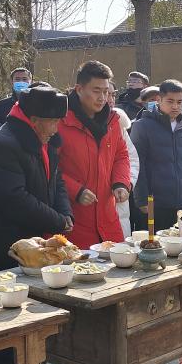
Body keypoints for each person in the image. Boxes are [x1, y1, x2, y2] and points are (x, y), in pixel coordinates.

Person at [0, 84, 72, 364]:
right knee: (5, 310)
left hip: (29, 238)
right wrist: (57, 220)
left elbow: (56, 182)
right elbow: (14, 198)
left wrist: (65, 215)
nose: (56, 128)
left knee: (27, 306)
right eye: (53, 122)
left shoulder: (44, 140)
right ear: (35, 120)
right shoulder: (6, 144)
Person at [58, 61, 131, 249]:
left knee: (117, 264)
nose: (102, 98)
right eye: (96, 91)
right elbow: (48, 167)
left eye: (106, 92)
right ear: (79, 89)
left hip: (107, 218)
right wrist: (76, 191)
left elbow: (121, 155)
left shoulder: (112, 120)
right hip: (73, 220)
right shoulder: (60, 122)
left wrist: (121, 182)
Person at [130, 79, 182, 231]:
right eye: (170, 101)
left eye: (179, 102)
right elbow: (137, 164)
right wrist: (141, 198)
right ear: (159, 99)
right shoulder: (142, 126)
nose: (175, 106)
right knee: (155, 243)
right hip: (155, 202)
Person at [109, 85, 140, 238]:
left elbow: (131, 158)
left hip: (119, 198)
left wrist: (126, 184)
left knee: (120, 247)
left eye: (112, 94)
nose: (109, 99)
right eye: (103, 93)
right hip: (89, 199)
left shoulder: (118, 124)